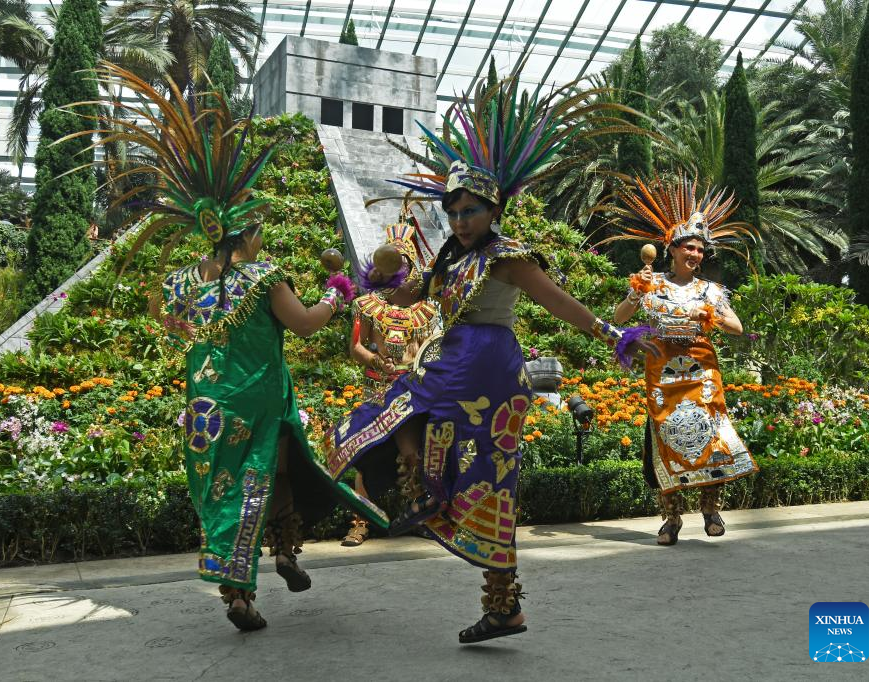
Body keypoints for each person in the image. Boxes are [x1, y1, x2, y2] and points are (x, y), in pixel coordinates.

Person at [322, 75, 658, 644]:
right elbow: (409, 295)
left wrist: (613, 334)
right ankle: (431, 503)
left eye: (470, 211)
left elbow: (559, 303)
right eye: (453, 211)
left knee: (488, 480)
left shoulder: (507, 257)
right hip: (451, 361)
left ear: (493, 209)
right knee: (399, 420)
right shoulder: (451, 258)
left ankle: (494, 592)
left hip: (489, 369)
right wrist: (371, 286)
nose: (460, 221)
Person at [72, 63, 388, 632]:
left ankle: (243, 589)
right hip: (260, 398)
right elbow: (306, 325)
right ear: (248, 233)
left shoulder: (181, 282)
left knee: (225, 492)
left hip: (207, 408)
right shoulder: (264, 278)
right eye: (259, 229)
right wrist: (336, 295)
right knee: (273, 474)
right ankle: (279, 557)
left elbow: (163, 319)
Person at [605, 175, 760, 546]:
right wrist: (635, 292)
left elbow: (737, 327)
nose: (695, 254)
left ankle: (711, 510)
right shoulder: (651, 282)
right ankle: (671, 519)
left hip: (701, 372)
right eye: (689, 247)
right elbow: (619, 318)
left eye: (700, 250)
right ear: (671, 249)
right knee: (666, 436)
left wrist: (709, 315)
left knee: (710, 435)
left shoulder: (711, 290)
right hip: (662, 373)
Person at [342, 221, 439, 547]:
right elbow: (356, 347)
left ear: (412, 268)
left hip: (410, 388)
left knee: (412, 455)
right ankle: (360, 522)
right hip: (378, 387)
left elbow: (433, 348)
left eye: (402, 263)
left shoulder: (426, 311)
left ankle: (418, 517)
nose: (398, 269)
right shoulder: (367, 305)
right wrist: (374, 360)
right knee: (366, 456)